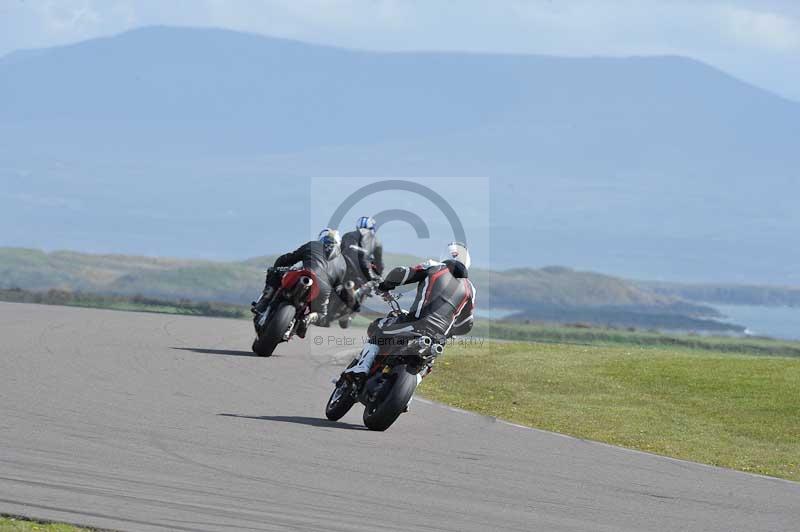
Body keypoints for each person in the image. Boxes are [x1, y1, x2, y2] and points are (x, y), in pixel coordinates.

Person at [343, 241, 476, 377]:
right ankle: (408, 396)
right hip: (438, 338)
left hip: (415, 324)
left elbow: (401, 274)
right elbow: (466, 324)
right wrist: (449, 332)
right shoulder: (470, 289)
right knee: (426, 365)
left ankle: (362, 367)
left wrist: (384, 286)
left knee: (379, 327)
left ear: (445, 254)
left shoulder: (434, 267)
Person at [253, 228, 347, 337]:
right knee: (321, 314)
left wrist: (276, 268)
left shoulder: (313, 245)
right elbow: (338, 286)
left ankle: (264, 300)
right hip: (323, 289)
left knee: (273, 273)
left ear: (321, 239)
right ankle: (308, 318)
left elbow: (289, 258)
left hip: (304, 274)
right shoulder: (342, 263)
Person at [334, 216, 385, 326]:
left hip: (344, 264)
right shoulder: (376, 241)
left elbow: (339, 251)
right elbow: (379, 263)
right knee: (371, 283)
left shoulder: (347, 235)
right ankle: (355, 304)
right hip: (362, 268)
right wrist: (379, 275)